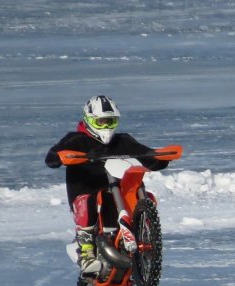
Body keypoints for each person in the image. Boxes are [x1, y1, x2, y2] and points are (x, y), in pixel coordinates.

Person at [45, 95, 169, 275]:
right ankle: (86, 252)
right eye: (102, 122)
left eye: (111, 122)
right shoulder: (77, 140)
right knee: (88, 201)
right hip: (86, 193)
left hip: (118, 193)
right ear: (89, 120)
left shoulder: (122, 141)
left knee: (146, 196)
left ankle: (146, 236)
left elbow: (144, 153)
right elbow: (52, 157)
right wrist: (61, 157)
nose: (107, 127)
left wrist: (158, 158)